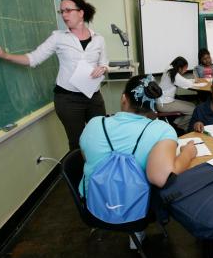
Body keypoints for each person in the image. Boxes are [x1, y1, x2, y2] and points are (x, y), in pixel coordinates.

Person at [79, 75, 197, 248]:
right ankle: (136, 232)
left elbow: (86, 158)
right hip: (138, 210)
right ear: (154, 105)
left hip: (92, 206)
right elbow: (161, 177)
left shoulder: (94, 124)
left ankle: (134, 232)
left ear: (123, 98)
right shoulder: (161, 130)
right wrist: (187, 153)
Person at [0, 0, 108, 150]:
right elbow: (32, 59)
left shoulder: (99, 39)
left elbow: (104, 62)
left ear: (81, 13)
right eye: (61, 11)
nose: (64, 15)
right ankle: (81, 174)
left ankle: (101, 173)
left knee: (101, 138)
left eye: (68, 10)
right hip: (68, 99)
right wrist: (5, 55)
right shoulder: (58, 37)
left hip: (93, 96)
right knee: (77, 143)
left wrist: (103, 68)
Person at [157, 56, 196, 131]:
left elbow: (184, 81)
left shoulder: (169, 70)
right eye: (185, 68)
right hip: (164, 104)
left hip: (164, 101)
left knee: (192, 105)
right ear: (180, 67)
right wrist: (194, 81)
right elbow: (187, 84)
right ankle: (181, 127)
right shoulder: (173, 74)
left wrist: (192, 80)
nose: (186, 70)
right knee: (194, 109)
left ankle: (176, 124)